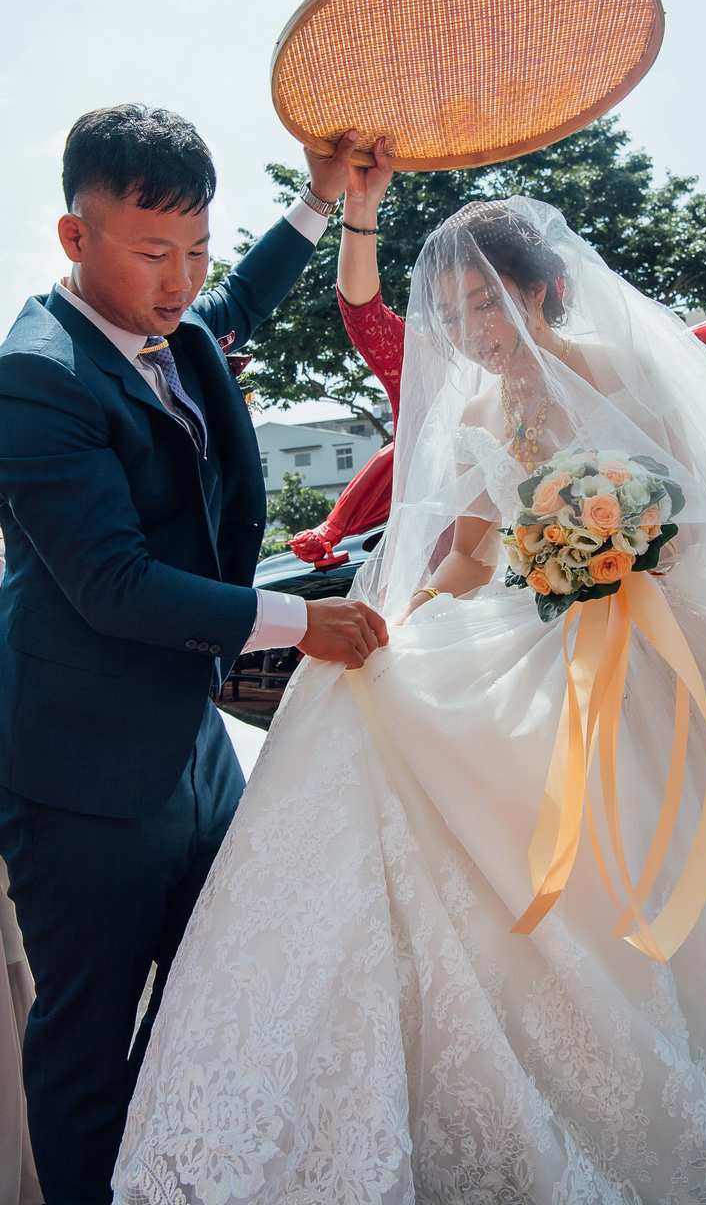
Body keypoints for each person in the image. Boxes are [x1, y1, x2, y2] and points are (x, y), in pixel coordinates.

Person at [114, 169, 706, 1203]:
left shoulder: (626, 375)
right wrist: (413, 612)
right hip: (539, 627)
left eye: (487, 307)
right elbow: (470, 554)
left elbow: (702, 522)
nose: (473, 335)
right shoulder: (479, 408)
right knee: (385, 709)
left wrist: (621, 555)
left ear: (544, 290)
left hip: (659, 640)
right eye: (455, 317)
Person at [0, 106, 387, 1205]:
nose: (181, 282)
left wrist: (319, 200)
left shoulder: (168, 323)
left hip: (194, 745)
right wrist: (300, 622)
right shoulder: (34, 377)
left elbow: (237, 302)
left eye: (198, 249)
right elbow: (114, 584)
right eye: (153, 252)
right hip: (79, 769)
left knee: (217, 991)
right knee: (88, 1042)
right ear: (76, 238)